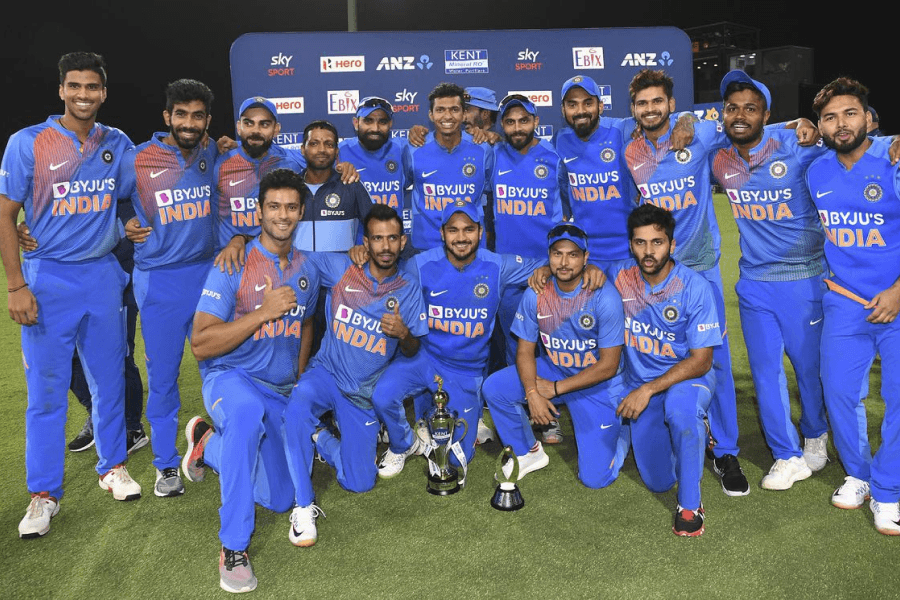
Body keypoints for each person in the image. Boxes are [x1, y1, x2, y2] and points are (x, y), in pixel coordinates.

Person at [1, 52, 141, 539]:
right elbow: (5, 213)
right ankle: (43, 494)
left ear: (103, 92)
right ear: (61, 89)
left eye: (92, 87)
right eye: (75, 86)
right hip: (48, 279)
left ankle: (113, 466)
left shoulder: (117, 142)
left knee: (110, 381)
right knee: (45, 392)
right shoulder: (28, 143)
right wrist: (16, 285)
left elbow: (134, 190)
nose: (84, 95)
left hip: (102, 276)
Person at [613, 68, 749, 496]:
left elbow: (742, 125)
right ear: (633, 109)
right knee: (652, 347)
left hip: (700, 268)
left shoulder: (699, 133)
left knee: (715, 359)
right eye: (642, 103)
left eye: (658, 101)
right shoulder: (628, 146)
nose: (650, 109)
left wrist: (801, 125)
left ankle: (724, 450)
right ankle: (666, 420)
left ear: (672, 104)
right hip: (655, 271)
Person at [183, 168, 319, 593]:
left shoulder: (308, 268)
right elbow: (201, 344)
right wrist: (262, 312)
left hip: (277, 390)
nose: (283, 215)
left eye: (291, 207)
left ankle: (207, 443)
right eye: (274, 206)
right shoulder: (233, 264)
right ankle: (234, 547)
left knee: (281, 498)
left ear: (301, 212)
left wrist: (298, 378)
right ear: (259, 211)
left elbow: (307, 324)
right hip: (230, 377)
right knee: (245, 414)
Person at [281, 204, 428, 547]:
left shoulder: (408, 288)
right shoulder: (342, 268)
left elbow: (413, 350)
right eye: (377, 238)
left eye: (392, 238)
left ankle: (319, 436)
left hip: (361, 394)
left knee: (359, 482)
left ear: (402, 241)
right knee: (299, 404)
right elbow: (293, 254)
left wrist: (403, 333)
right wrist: (240, 240)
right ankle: (303, 506)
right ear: (366, 242)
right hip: (326, 375)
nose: (385, 246)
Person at [710, 70, 829, 490]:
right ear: (723, 114)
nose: (740, 115)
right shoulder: (719, 158)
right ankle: (786, 454)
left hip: (804, 279)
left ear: (766, 115)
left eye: (751, 108)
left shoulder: (797, 147)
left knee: (808, 370)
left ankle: (815, 434)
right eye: (732, 108)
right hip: (754, 283)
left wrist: (806, 125)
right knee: (764, 372)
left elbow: (847, 149)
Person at [371, 200, 548, 477]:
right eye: (453, 230)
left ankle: (459, 419)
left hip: (465, 371)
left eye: (469, 229)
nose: (461, 237)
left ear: (481, 232)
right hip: (425, 358)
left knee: (455, 461)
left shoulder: (497, 265)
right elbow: (383, 271)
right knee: (382, 396)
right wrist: (359, 254)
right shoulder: (421, 265)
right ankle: (404, 443)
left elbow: (549, 264)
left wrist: (545, 271)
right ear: (442, 233)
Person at [806, 77, 900, 536]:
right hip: (845, 302)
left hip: (897, 301)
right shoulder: (816, 170)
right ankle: (860, 474)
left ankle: (889, 488)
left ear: (869, 118)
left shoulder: (893, 158)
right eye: (830, 117)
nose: (841, 124)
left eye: (850, 113)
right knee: (840, 393)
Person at [117, 78, 219, 497]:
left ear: (207, 121)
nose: (189, 123)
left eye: (198, 116)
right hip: (159, 281)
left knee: (220, 370)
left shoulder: (214, 151)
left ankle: (221, 446)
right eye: (181, 115)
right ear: (167, 117)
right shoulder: (137, 158)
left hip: (208, 277)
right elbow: (105, 196)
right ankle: (164, 463)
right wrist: (123, 222)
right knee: (163, 377)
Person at [482, 222, 628, 489]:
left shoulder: (604, 296)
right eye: (557, 254)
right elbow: (524, 350)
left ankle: (622, 432)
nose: (564, 262)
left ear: (585, 257)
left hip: (598, 384)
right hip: (555, 369)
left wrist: (555, 389)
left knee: (595, 479)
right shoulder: (537, 292)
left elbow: (609, 365)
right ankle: (527, 452)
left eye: (573, 255)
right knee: (495, 387)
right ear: (548, 256)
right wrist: (532, 394)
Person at [609, 204, 722, 536]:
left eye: (657, 242)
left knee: (681, 412)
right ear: (631, 245)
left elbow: (702, 360)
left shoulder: (694, 287)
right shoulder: (618, 276)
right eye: (640, 242)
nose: (648, 251)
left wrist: (646, 390)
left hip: (687, 379)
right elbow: (578, 280)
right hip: (641, 382)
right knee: (659, 481)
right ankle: (680, 436)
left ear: (672, 244)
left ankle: (690, 506)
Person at [490, 94, 568, 442]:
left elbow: (569, 213)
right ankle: (520, 409)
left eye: (524, 120)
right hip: (508, 271)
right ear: (502, 125)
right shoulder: (493, 155)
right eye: (510, 121)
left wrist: (554, 264)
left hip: (547, 269)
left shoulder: (554, 157)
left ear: (536, 121)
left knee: (550, 345)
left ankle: (550, 414)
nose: (517, 127)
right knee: (515, 345)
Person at [552, 75, 638, 270]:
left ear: (600, 106)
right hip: (585, 256)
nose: (580, 111)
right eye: (572, 105)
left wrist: (685, 120)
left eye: (588, 103)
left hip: (629, 253)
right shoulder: (559, 140)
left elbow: (665, 121)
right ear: (563, 110)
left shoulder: (622, 129)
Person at [404, 82, 494, 252]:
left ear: (464, 114)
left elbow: (492, 192)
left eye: (454, 109)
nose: (447, 116)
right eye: (440, 110)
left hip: (471, 247)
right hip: (426, 247)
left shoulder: (483, 149)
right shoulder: (413, 149)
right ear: (431, 115)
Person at [212, 96, 306, 251]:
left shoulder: (290, 164)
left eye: (264, 124)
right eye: (248, 123)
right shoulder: (218, 162)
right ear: (239, 127)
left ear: (276, 130)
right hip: (230, 259)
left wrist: (345, 167)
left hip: (275, 257)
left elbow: (323, 158)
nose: (255, 130)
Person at [338, 96, 412, 233]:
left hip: (392, 239)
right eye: (368, 121)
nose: (375, 128)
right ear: (356, 123)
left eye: (382, 122)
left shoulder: (402, 149)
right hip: (355, 242)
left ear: (390, 124)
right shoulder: (339, 152)